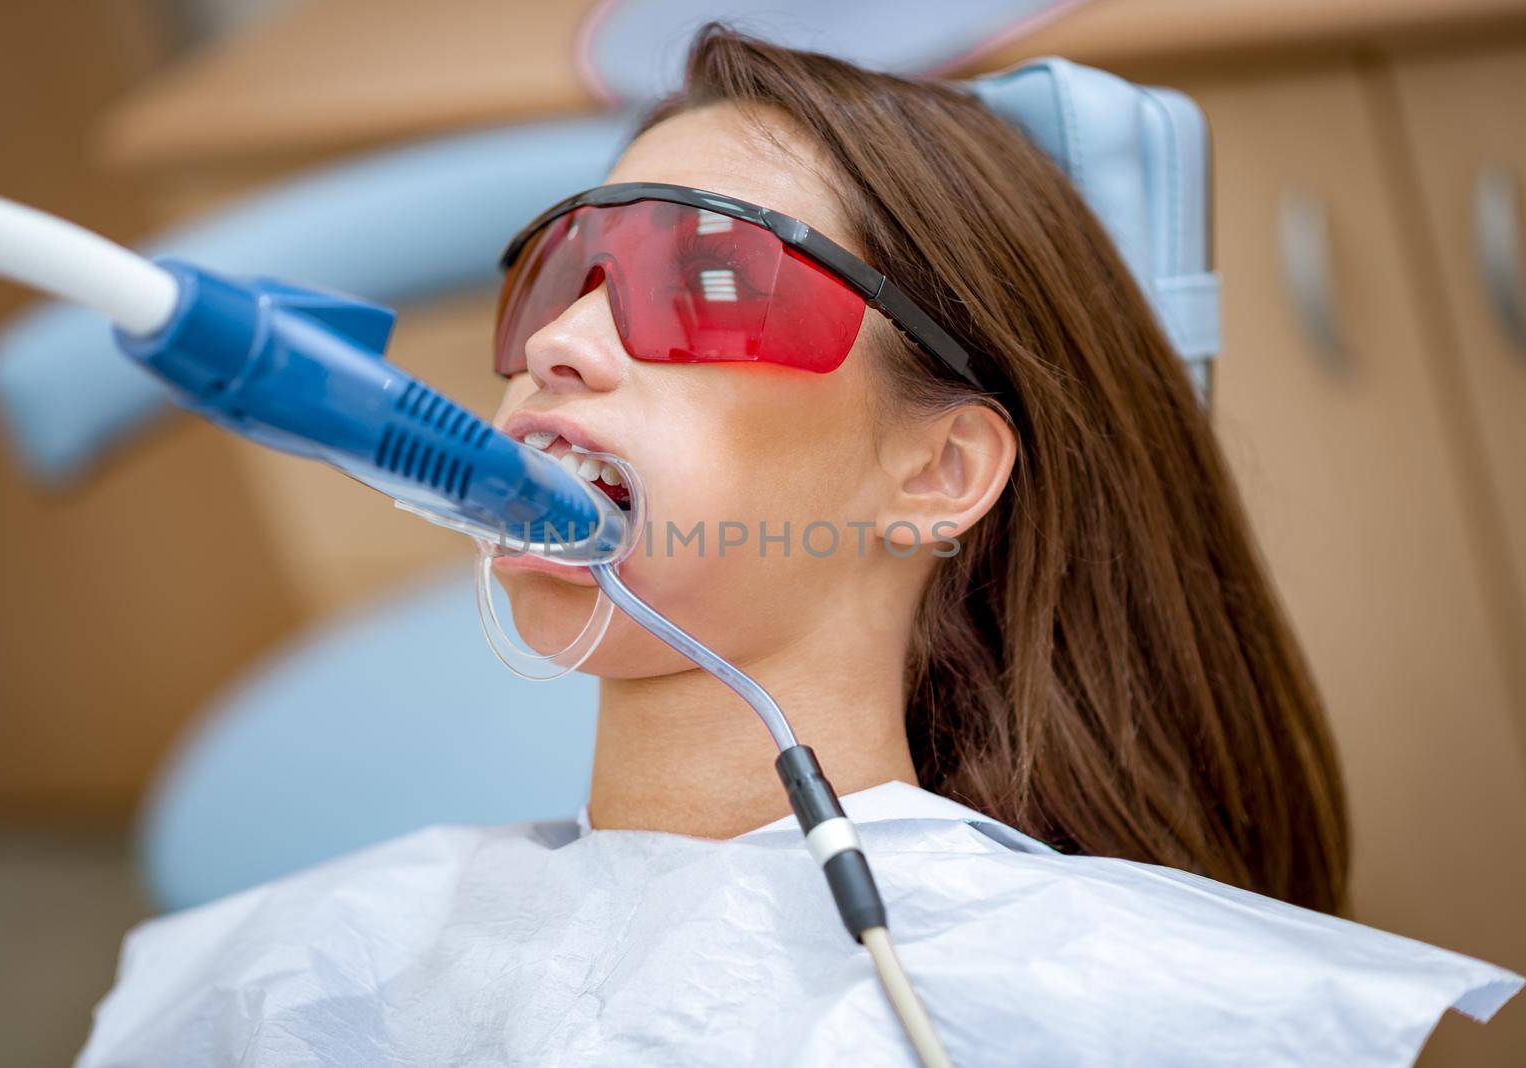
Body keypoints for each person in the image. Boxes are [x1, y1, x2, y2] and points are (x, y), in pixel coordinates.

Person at [77, 28, 1519, 1067]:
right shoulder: (323, 953)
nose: (562, 346)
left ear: (938, 469)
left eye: (700, 279)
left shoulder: (1161, 1013)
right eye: (557, 279)